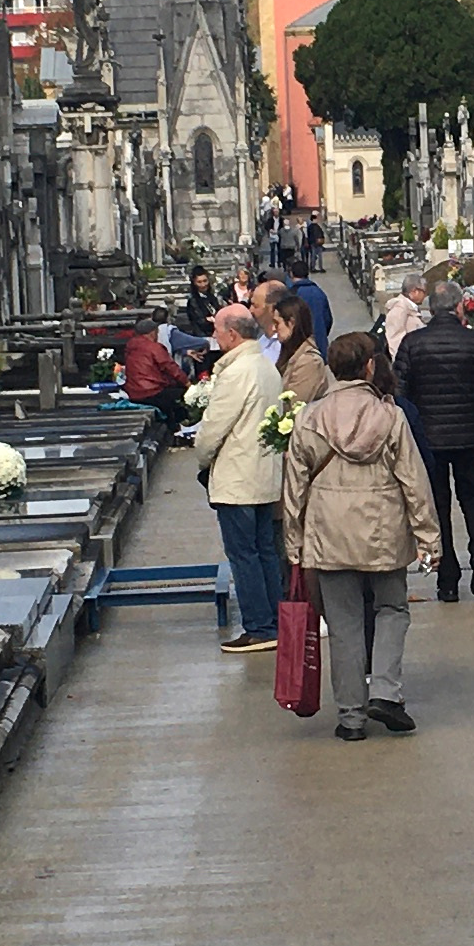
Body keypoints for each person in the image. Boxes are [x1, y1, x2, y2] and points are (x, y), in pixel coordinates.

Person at [285, 331, 436, 740]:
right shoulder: (391, 417)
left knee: (343, 623)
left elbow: (295, 486)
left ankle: (350, 717)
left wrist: (294, 541)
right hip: (382, 528)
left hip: (328, 531)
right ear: (370, 366)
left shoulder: (308, 418)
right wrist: (428, 537)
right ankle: (385, 691)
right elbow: (413, 481)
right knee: (392, 609)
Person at [392, 282, 474, 604]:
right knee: (473, 498)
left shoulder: (412, 344)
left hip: (428, 439)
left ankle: (447, 575)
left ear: (431, 309)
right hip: (469, 436)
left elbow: (400, 394)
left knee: (438, 505)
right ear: (459, 307)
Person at [186, 304, 289, 655]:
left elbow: (213, 429)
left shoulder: (236, 372)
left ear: (232, 334)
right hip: (263, 474)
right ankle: (275, 621)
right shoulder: (266, 367)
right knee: (265, 552)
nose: (214, 336)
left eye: (217, 330)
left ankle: (259, 627)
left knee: (244, 555)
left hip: (238, 477)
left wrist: (202, 459)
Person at [258, 279, 333, 403]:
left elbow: (294, 403)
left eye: (277, 323)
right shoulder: (289, 352)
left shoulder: (309, 361)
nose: (274, 329)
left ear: (291, 323)